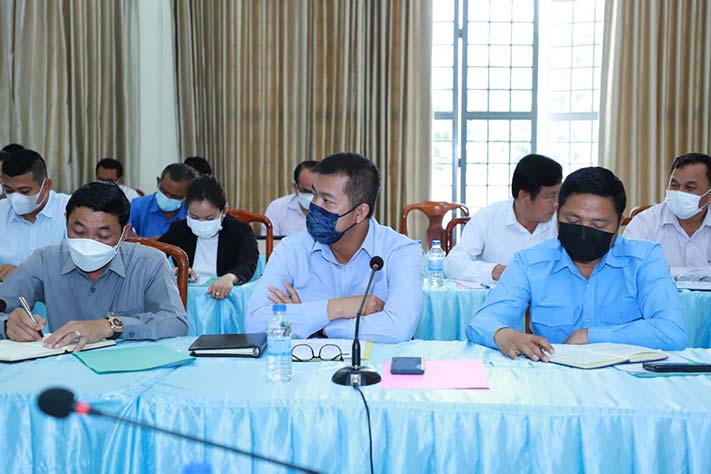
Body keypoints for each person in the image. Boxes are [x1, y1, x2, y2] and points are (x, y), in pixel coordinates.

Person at [467, 167, 687, 360]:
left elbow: (672, 331)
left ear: (620, 222)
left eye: (598, 225)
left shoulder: (644, 259)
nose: (584, 231)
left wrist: (592, 336)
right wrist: (504, 334)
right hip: (554, 376)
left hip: (626, 380)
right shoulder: (530, 262)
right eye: (573, 221)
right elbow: (482, 322)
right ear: (557, 213)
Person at [246, 153, 423, 343]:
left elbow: (398, 329)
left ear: (359, 212)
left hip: (375, 362)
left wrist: (317, 326)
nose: (315, 206)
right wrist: (336, 308)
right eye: (314, 195)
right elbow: (254, 322)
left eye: (327, 201)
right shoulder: (291, 249)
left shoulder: (401, 251)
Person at [0, 181, 188, 349]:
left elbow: (175, 321)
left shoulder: (150, 262)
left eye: (103, 236)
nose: (89, 242)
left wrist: (110, 326)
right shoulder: (45, 260)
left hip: (130, 366)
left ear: (124, 233)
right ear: (66, 222)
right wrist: (8, 324)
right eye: (78, 231)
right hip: (65, 363)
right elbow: (4, 303)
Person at [445, 154, 562, 284]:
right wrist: (494, 271)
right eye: (550, 197)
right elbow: (452, 265)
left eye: (559, 195)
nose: (556, 203)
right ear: (524, 196)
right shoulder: (487, 218)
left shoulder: (562, 221)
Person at [159, 175, 259, 300]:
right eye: (194, 217)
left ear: (224, 211)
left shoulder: (240, 231)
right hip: (186, 296)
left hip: (224, 298)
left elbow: (248, 263)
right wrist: (174, 271)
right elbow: (156, 255)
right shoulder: (179, 229)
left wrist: (230, 277)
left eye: (209, 218)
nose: (201, 223)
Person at [624, 153, 711, 279]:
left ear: (709, 196)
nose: (679, 192)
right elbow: (631, 271)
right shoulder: (645, 223)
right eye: (674, 185)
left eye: (690, 187)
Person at [0, 148, 71, 281]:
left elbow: (78, 270)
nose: (15, 198)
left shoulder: (71, 210)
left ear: (46, 186)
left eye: (24, 191)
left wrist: (24, 275)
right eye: (8, 190)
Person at [129, 163, 195, 238]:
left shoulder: (194, 214)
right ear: (158, 182)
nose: (168, 198)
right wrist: (144, 241)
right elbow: (123, 233)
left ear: (188, 194)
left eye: (175, 196)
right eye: (164, 192)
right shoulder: (139, 205)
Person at [263, 160, 318, 236]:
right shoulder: (277, 208)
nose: (311, 196)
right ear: (295, 186)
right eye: (306, 191)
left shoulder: (332, 210)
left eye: (316, 192)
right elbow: (269, 242)